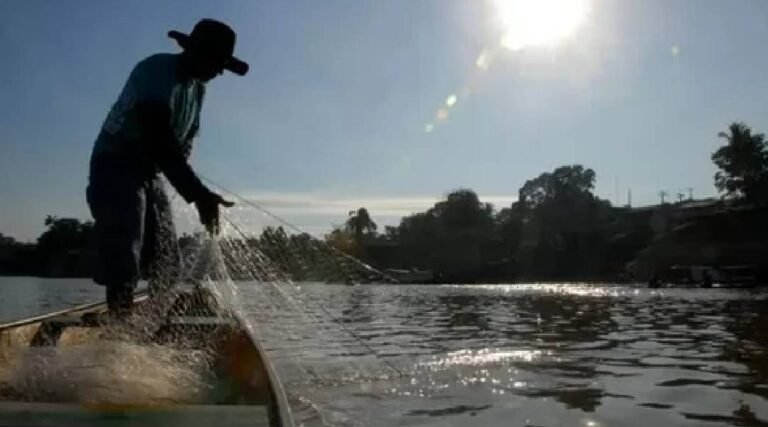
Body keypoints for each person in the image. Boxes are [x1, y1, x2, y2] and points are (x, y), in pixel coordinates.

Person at [86, 19, 247, 316]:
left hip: (150, 172)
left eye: (222, 65)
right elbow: (159, 137)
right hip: (115, 163)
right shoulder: (157, 71)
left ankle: (152, 322)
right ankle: (119, 328)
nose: (218, 71)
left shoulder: (197, 91)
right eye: (215, 62)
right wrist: (197, 194)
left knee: (167, 261)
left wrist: (197, 192)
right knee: (125, 245)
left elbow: (179, 149)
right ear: (193, 52)